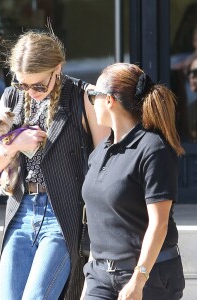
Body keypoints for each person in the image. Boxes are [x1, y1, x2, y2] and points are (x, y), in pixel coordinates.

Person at [0, 27, 109, 299]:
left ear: (58, 69)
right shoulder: (11, 99)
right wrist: (15, 145)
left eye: (39, 85)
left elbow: (105, 165)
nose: (32, 92)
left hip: (62, 214)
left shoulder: (81, 97)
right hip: (20, 212)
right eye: (22, 84)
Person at [81, 62, 185, 300]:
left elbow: (159, 224)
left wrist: (138, 280)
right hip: (100, 276)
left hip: (149, 276)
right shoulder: (99, 153)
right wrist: (90, 280)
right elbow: (99, 222)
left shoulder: (152, 149)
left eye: (92, 95)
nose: (89, 101)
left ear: (109, 100)